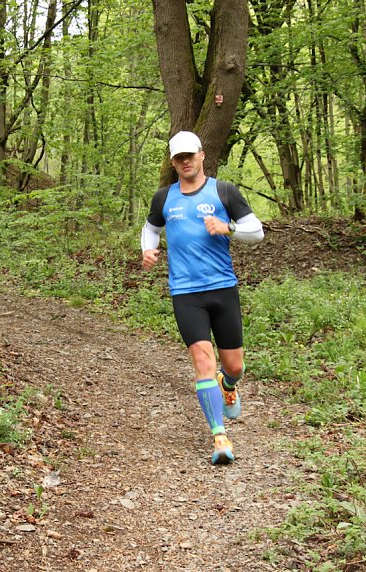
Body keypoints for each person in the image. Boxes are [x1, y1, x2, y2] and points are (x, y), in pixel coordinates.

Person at [141, 130, 264, 465]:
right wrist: (148, 250)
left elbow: (258, 231)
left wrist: (229, 229)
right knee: (202, 360)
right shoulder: (164, 197)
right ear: (173, 161)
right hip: (186, 292)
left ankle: (229, 384)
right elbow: (151, 228)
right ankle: (219, 436)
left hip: (222, 288)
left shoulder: (224, 192)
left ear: (201, 154)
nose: (185, 162)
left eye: (189, 156)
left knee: (233, 365)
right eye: (178, 158)